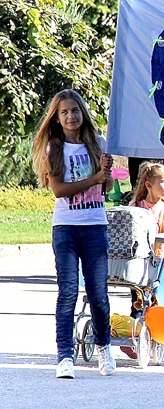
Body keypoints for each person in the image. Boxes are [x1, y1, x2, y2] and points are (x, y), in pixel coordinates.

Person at [31, 89, 116, 379]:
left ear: (83, 113)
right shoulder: (54, 148)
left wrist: (107, 175)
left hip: (94, 225)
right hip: (66, 228)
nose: (71, 116)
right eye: (64, 112)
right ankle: (65, 356)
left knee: (98, 294)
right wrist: (93, 178)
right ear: (56, 117)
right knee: (67, 292)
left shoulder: (98, 144)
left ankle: (104, 347)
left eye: (75, 110)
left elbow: (108, 190)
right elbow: (59, 191)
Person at [123, 160, 164, 358]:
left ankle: (155, 336)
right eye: (163, 181)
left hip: (160, 261)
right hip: (138, 260)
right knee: (138, 299)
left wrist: (157, 237)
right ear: (149, 185)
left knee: (155, 300)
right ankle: (133, 334)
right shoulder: (137, 206)